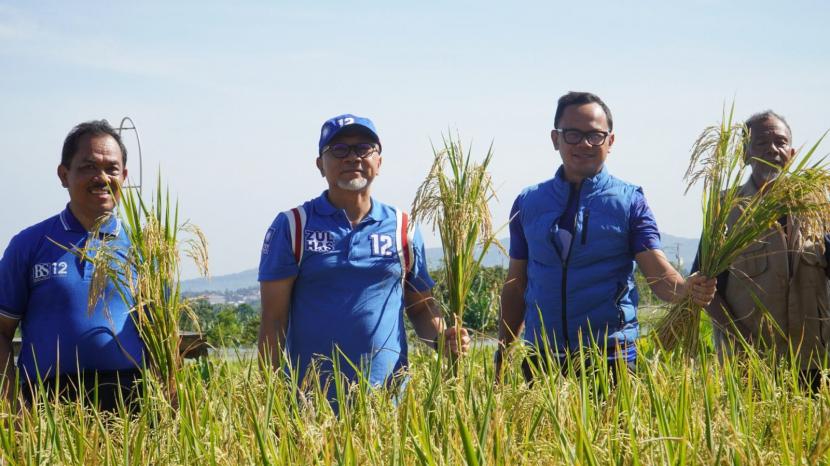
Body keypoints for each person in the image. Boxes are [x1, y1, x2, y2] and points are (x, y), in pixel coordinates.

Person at [497, 92, 716, 381]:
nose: (585, 144)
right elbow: (516, 286)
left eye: (595, 135)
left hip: (611, 359)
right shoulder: (529, 203)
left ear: (610, 142)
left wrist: (688, 289)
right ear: (555, 139)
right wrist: (502, 354)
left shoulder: (629, 202)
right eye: (573, 134)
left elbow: (659, 276)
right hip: (543, 359)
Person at [258, 114, 469, 399]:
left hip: (386, 402)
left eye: (363, 149)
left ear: (379, 162)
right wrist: (268, 398)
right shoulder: (294, 226)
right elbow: (273, 321)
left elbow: (420, 308)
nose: (352, 158)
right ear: (320, 165)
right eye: (339, 150)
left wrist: (443, 338)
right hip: (311, 403)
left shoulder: (402, 228)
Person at [0, 120, 144, 411]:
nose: (101, 177)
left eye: (111, 169)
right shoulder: (30, 244)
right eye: (88, 167)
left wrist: (173, 403)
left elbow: (163, 334)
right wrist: (10, 404)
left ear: (125, 176)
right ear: (64, 175)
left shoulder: (144, 247)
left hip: (131, 402)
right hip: (45, 403)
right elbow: (1, 330)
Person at [698, 110, 830, 391]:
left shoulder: (818, 206)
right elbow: (704, 288)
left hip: (812, 357)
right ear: (743, 154)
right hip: (749, 360)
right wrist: (741, 341)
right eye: (761, 143)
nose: (772, 149)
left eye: (781, 142)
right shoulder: (726, 209)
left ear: (792, 153)